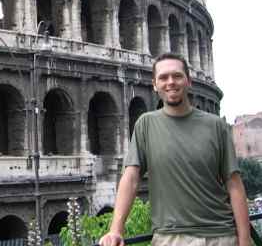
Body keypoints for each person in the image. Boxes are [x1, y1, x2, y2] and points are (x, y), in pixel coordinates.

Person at [99, 52, 251, 246]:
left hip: (220, 235)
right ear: (155, 85)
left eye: (177, 76)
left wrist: (245, 240)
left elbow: (234, 184)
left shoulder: (216, 125)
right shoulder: (145, 124)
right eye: (163, 77)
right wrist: (115, 230)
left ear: (188, 81)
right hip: (170, 238)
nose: (170, 82)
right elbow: (131, 178)